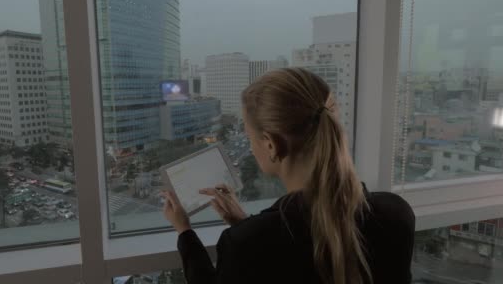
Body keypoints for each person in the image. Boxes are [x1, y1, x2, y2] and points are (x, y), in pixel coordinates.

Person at [162, 68, 415, 284]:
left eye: (250, 137)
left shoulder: (246, 245)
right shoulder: (395, 213)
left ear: (271, 145)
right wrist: (244, 224)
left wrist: (185, 231)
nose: (250, 147)